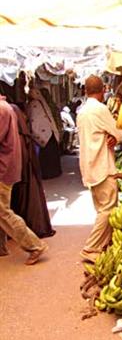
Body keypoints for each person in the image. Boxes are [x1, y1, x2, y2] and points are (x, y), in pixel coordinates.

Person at [77, 75, 122, 262]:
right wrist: (115, 137)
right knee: (108, 209)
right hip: (101, 166)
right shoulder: (100, 109)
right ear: (103, 90)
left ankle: (103, 245)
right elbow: (118, 130)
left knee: (101, 209)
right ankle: (90, 248)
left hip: (89, 167)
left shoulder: (82, 111)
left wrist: (110, 136)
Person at [0, 95, 49, 265]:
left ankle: (34, 245)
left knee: (3, 212)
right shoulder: (7, 107)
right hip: (8, 167)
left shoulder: (1, 109)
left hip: (3, 169)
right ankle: (2, 248)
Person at [10, 101, 55, 238]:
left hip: (13, 173)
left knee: (4, 212)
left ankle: (32, 244)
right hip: (21, 172)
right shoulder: (24, 137)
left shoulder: (18, 136)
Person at [26, 85, 62, 179]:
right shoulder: (43, 103)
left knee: (46, 157)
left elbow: (33, 121)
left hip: (44, 136)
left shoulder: (34, 104)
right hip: (49, 134)